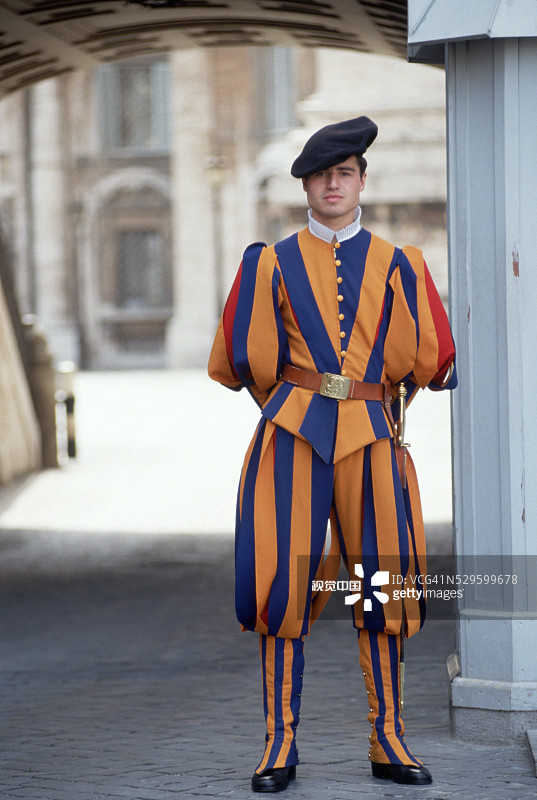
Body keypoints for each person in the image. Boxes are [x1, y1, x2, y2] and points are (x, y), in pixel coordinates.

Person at [208, 116, 457, 793]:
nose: (331, 184)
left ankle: (387, 740)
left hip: (373, 437)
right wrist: (298, 395)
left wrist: (371, 401)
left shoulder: (400, 264)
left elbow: (430, 364)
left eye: (343, 173)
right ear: (306, 188)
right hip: (289, 433)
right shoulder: (269, 261)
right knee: (279, 589)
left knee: (382, 586)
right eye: (320, 175)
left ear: (360, 180)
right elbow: (241, 360)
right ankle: (277, 746)